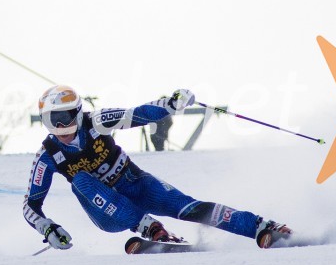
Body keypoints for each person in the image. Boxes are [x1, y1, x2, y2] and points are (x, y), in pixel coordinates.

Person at [23, 85, 292, 253]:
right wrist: (48, 228)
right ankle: (149, 227)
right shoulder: (48, 154)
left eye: (64, 118)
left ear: (77, 113)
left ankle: (260, 226)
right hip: (107, 212)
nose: (60, 128)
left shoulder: (95, 122)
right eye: (51, 120)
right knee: (80, 180)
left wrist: (170, 104)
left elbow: (136, 114)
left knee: (188, 207)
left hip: (134, 182)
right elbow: (30, 206)